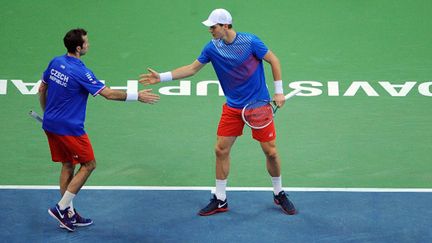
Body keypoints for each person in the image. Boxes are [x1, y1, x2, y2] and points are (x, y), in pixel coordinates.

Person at [139, 9, 296, 216]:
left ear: (226, 26)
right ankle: (220, 199)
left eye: (213, 26)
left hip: (258, 106)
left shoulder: (250, 42)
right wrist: (162, 77)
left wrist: (279, 92)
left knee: (271, 152)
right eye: (210, 27)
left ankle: (279, 192)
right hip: (233, 107)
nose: (210, 30)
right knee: (221, 150)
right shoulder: (212, 48)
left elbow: (273, 60)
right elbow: (192, 69)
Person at [39, 28, 160, 232]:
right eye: (86, 43)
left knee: (68, 164)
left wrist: (47, 114)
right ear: (78, 48)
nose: (88, 45)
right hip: (70, 129)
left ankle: (67, 212)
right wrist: (136, 96)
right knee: (89, 164)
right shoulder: (80, 71)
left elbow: (42, 89)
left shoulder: (55, 62)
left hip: (50, 124)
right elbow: (109, 94)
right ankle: (61, 208)